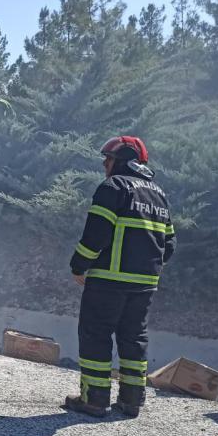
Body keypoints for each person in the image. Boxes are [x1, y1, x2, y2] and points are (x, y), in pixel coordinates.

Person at [65, 136, 176, 418]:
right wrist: (147, 269)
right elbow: (169, 244)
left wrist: (78, 266)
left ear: (123, 161)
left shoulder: (113, 187)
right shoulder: (158, 193)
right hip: (145, 284)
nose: (105, 164)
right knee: (133, 337)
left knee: (96, 334)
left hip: (108, 281)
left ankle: (94, 400)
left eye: (109, 158)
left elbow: (96, 234)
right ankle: (131, 400)